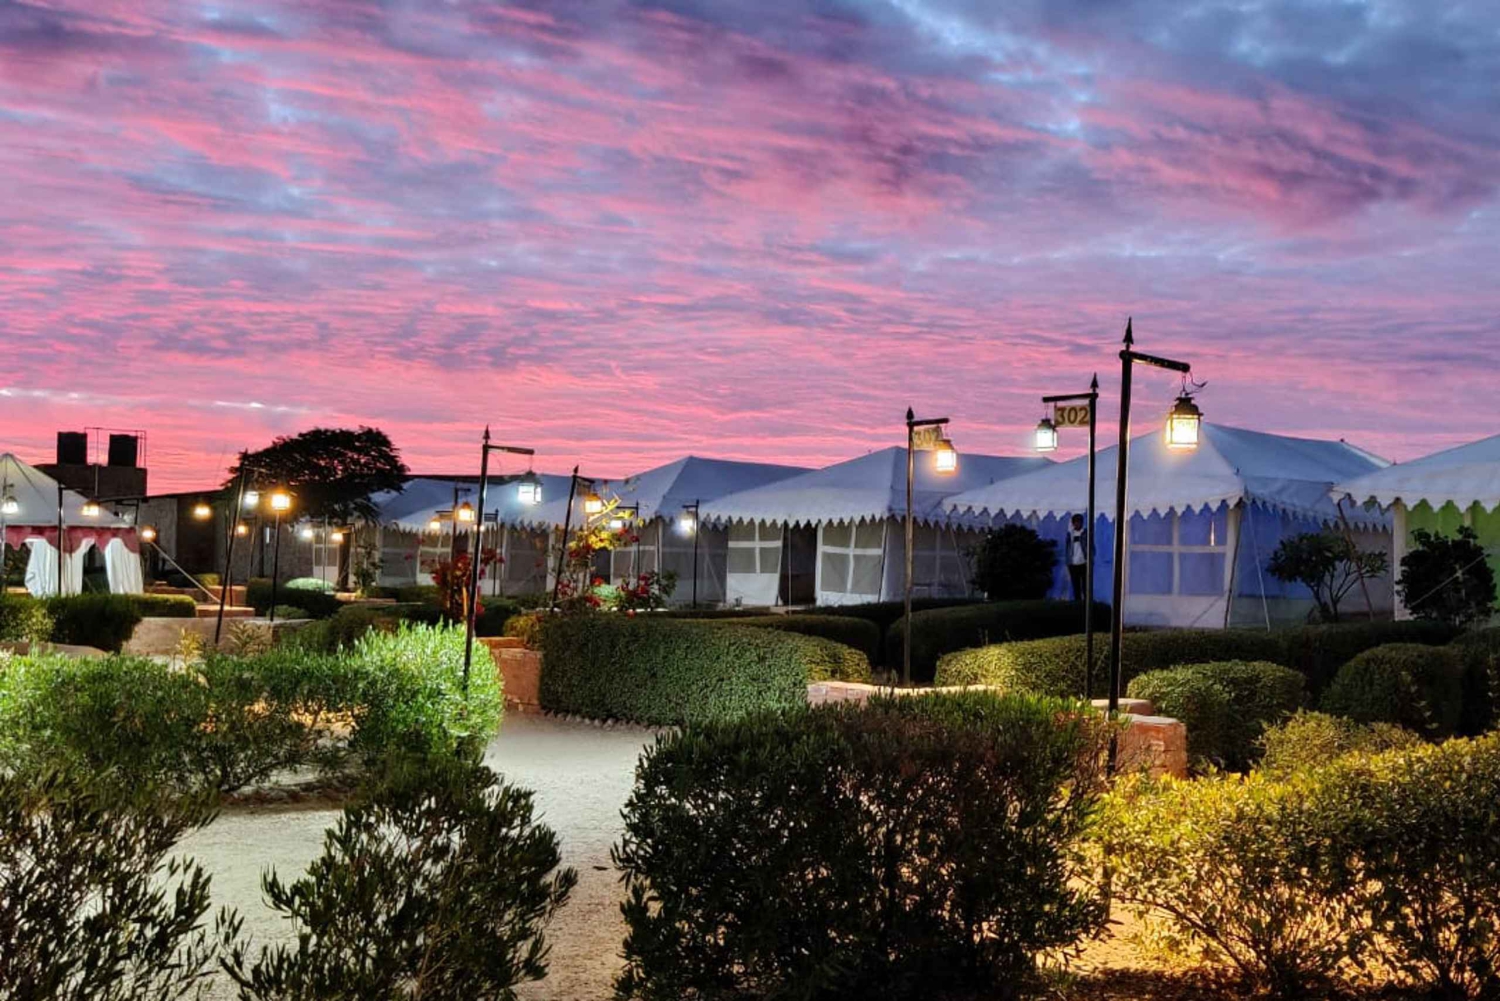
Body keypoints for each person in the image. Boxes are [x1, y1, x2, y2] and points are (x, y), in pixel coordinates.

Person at [1066, 513, 1089, 603]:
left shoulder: (1085, 533)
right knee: (1076, 586)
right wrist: (1068, 561)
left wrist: (1089, 559)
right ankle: (1078, 603)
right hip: (1073, 564)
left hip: (1084, 563)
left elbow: (1091, 546)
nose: (1078, 524)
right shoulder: (1070, 534)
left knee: (1085, 586)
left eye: (1079, 522)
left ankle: (1086, 603)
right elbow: (1068, 548)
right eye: (1076, 522)